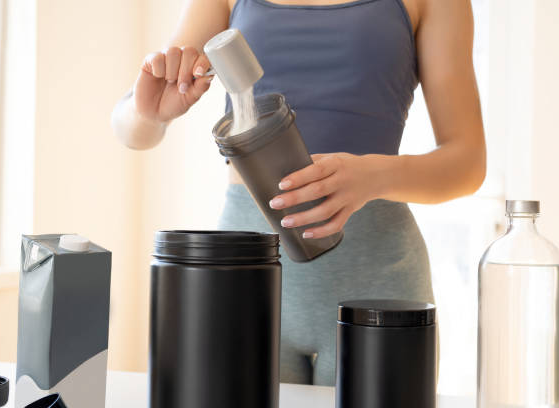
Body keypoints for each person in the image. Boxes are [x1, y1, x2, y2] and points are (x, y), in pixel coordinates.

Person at [111, 0, 486, 385]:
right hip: (245, 277)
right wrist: (149, 113)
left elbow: (468, 163)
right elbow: (131, 126)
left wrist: (374, 174)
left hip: (379, 285)